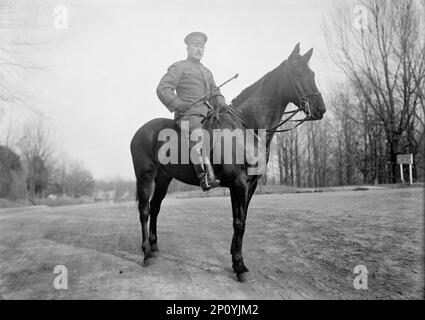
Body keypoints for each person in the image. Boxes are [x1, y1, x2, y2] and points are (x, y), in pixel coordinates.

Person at [157, 31, 227, 191]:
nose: (199, 49)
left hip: (207, 114)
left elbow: (214, 93)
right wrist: (178, 104)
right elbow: (163, 88)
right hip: (188, 115)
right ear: (188, 48)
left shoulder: (207, 71)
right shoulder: (179, 67)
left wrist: (221, 101)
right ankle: (205, 177)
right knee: (198, 134)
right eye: (196, 46)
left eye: (202, 47)